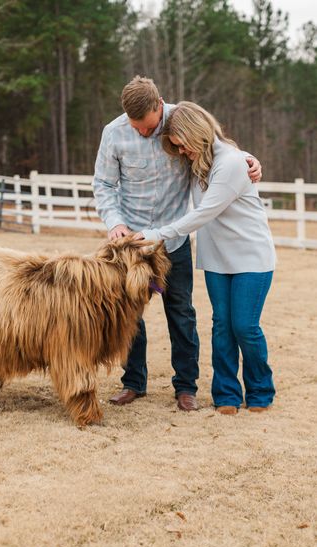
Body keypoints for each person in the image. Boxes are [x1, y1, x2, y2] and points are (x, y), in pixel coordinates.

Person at [93, 76, 262, 412]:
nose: (142, 132)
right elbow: (103, 184)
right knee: (129, 315)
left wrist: (247, 157)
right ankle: (133, 382)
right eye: (135, 127)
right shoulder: (114, 133)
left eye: (147, 127)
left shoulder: (181, 123)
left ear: (160, 106)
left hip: (174, 241)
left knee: (181, 314)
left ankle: (185, 387)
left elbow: (215, 147)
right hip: (131, 244)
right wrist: (115, 223)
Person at [136, 101, 276, 414]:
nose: (181, 152)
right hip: (216, 259)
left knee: (245, 326)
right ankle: (226, 394)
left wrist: (157, 234)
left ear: (195, 135)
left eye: (182, 145)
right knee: (222, 326)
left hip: (251, 258)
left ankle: (260, 390)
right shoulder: (199, 162)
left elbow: (204, 213)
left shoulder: (231, 162)